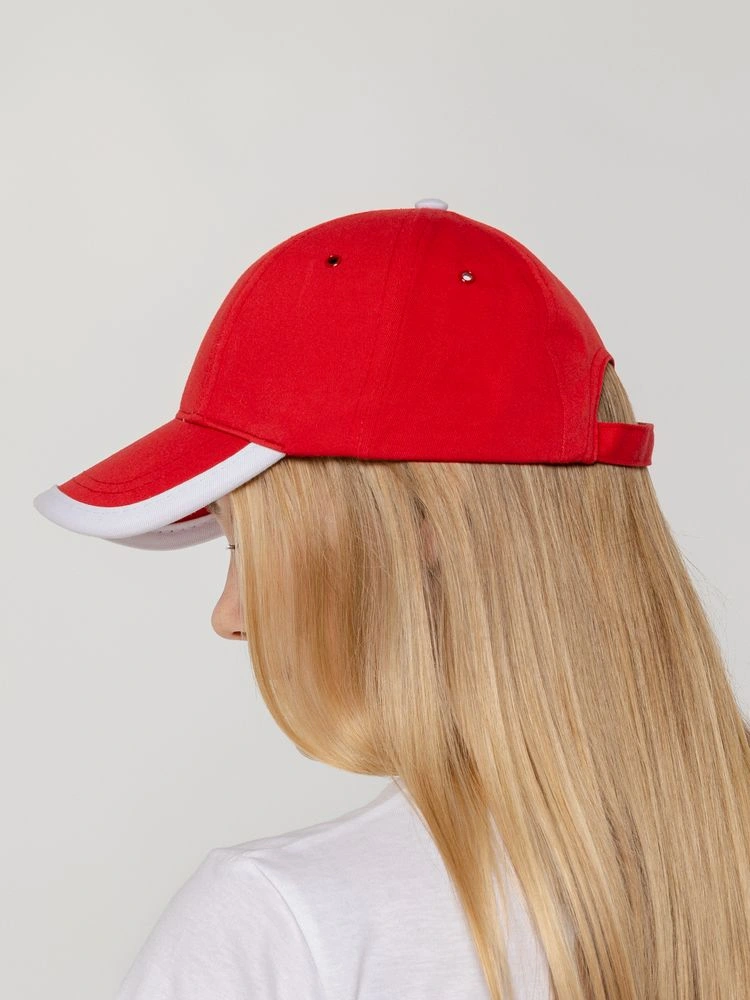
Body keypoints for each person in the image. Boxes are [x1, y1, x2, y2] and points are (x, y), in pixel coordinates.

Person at [33, 200, 750, 999]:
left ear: (419, 527)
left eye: (244, 547)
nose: (228, 615)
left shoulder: (285, 926)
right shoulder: (719, 876)